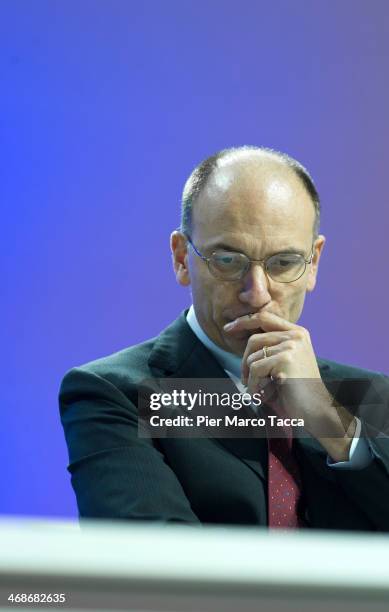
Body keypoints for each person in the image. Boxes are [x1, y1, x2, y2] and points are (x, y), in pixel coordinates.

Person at [59, 146, 389, 530]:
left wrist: (331, 423)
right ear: (182, 258)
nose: (257, 293)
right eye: (228, 260)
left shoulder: (369, 396)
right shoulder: (118, 394)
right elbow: (152, 570)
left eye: (283, 262)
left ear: (313, 262)